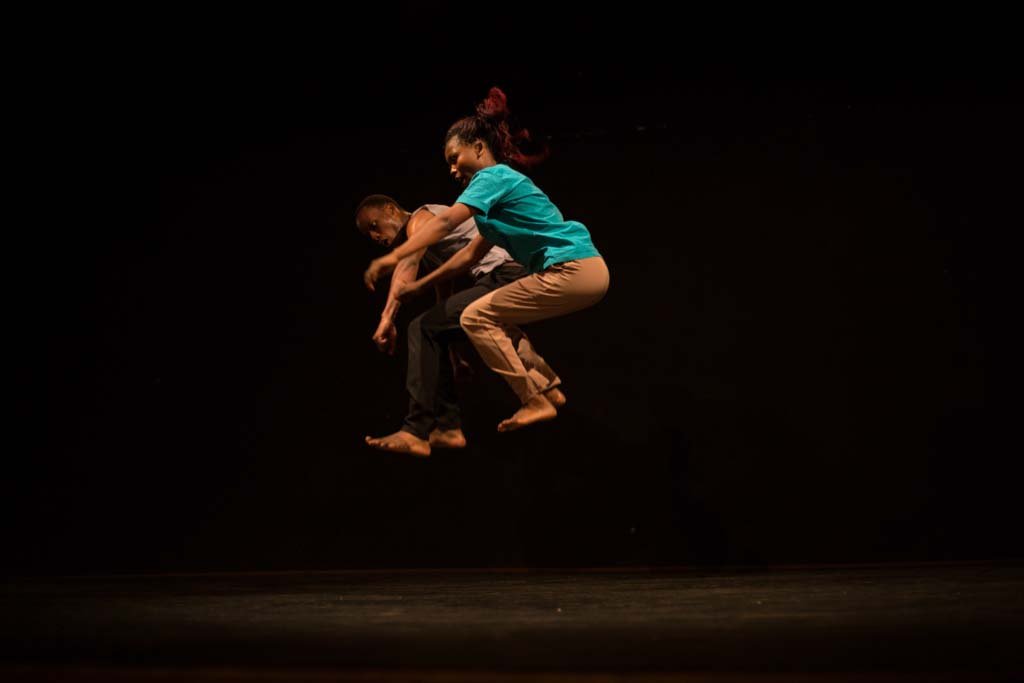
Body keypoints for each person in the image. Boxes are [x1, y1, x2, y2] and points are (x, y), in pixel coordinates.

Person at [364, 88, 609, 432]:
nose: (452, 170)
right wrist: (420, 284)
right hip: (584, 273)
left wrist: (393, 257)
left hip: (572, 268)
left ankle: (533, 399)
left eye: (454, 158)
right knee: (496, 315)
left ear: (479, 147)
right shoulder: (494, 207)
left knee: (476, 316)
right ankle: (547, 390)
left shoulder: (491, 178)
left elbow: (447, 221)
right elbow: (466, 257)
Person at [356, 194, 565, 456]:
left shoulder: (421, 219)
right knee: (433, 327)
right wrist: (454, 356)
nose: (375, 237)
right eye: (368, 235)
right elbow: (444, 301)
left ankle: (416, 430)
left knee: (418, 328)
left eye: (374, 226)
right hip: (512, 273)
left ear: (390, 209)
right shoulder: (433, 245)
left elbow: (407, 264)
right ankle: (545, 388)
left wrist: (387, 318)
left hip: (506, 272)